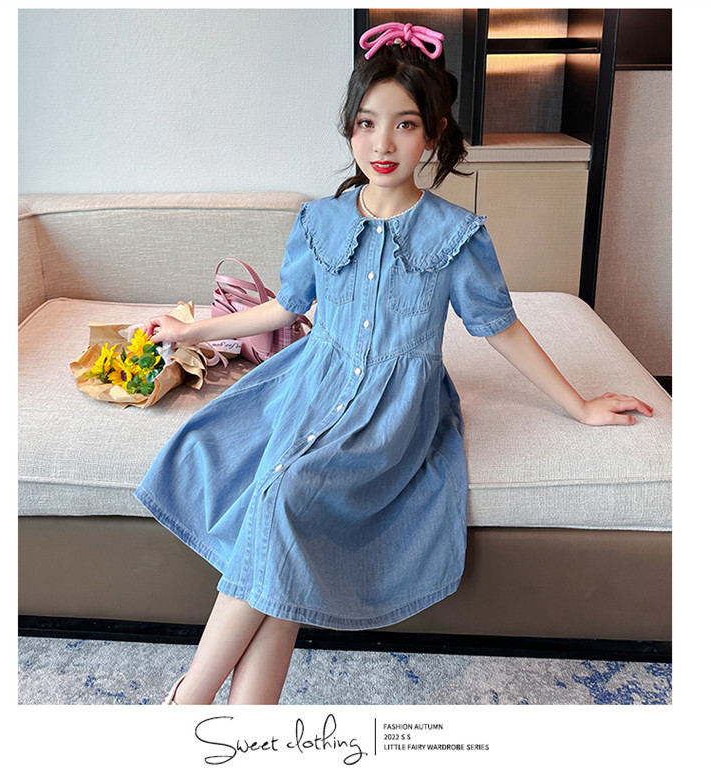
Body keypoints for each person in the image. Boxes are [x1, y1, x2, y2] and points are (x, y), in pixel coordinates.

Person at [135, 21, 653, 706]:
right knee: (286, 532)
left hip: (392, 412)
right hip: (310, 384)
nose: (383, 144)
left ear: (433, 133)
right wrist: (192, 327)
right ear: (350, 130)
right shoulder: (319, 220)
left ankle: (184, 704)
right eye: (367, 123)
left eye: (405, 124)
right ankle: (238, 724)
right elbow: (287, 306)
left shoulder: (456, 234)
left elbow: (499, 327)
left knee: (284, 497)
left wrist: (580, 405)